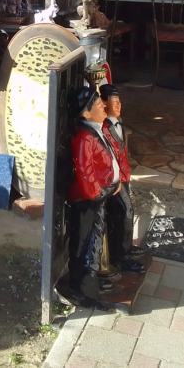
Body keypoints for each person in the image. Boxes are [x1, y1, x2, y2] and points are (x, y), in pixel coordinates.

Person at [66, 86, 120, 306]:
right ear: (86, 113)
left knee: (95, 239)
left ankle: (91, 279)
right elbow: (85, 173)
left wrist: (114, 181)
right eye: (98, 104)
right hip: (88, 201)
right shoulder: (84, 139)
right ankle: (83, 288)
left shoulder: (98, 130)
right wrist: (100, 192)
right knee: (86, 242)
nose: (104, 106)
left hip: (100, 197)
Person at [99, 84, 145, 275]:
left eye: (119, 102)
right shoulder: (104, 127)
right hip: (113, 179)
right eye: (114, 102)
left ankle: (125, 247)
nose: (119, 106)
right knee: (125, 212)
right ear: (104, 104)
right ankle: (121, 256)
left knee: (125, 212)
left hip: (123, 175)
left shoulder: (119, 122)